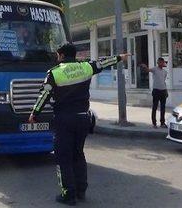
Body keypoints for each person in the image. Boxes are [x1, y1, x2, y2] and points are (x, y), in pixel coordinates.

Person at [28, 43, 129, 205]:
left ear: (61, 55)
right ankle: (81, 190)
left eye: (57, 55)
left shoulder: (54, 73)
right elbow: (102, 63)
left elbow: (44, 94)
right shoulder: (86, 67)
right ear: (74, 55)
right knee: (78, 154)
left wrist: (35, 113)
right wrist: (119, 57)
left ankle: (68, 194)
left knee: (63, 157)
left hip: (64, 120)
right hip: (83, 119)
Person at [140, 57, 169, 128]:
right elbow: (148, 70)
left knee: (163, 108)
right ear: (157, 63)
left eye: (162, 62)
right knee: (155, 107)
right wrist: (145, 66)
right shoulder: (155, 69)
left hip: (163, 91)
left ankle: (162, 122)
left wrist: (166, 91)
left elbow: (163, 82)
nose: (161, 63)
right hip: (156, 91)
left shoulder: (165, 72)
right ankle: (154, 123)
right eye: (159, 62)